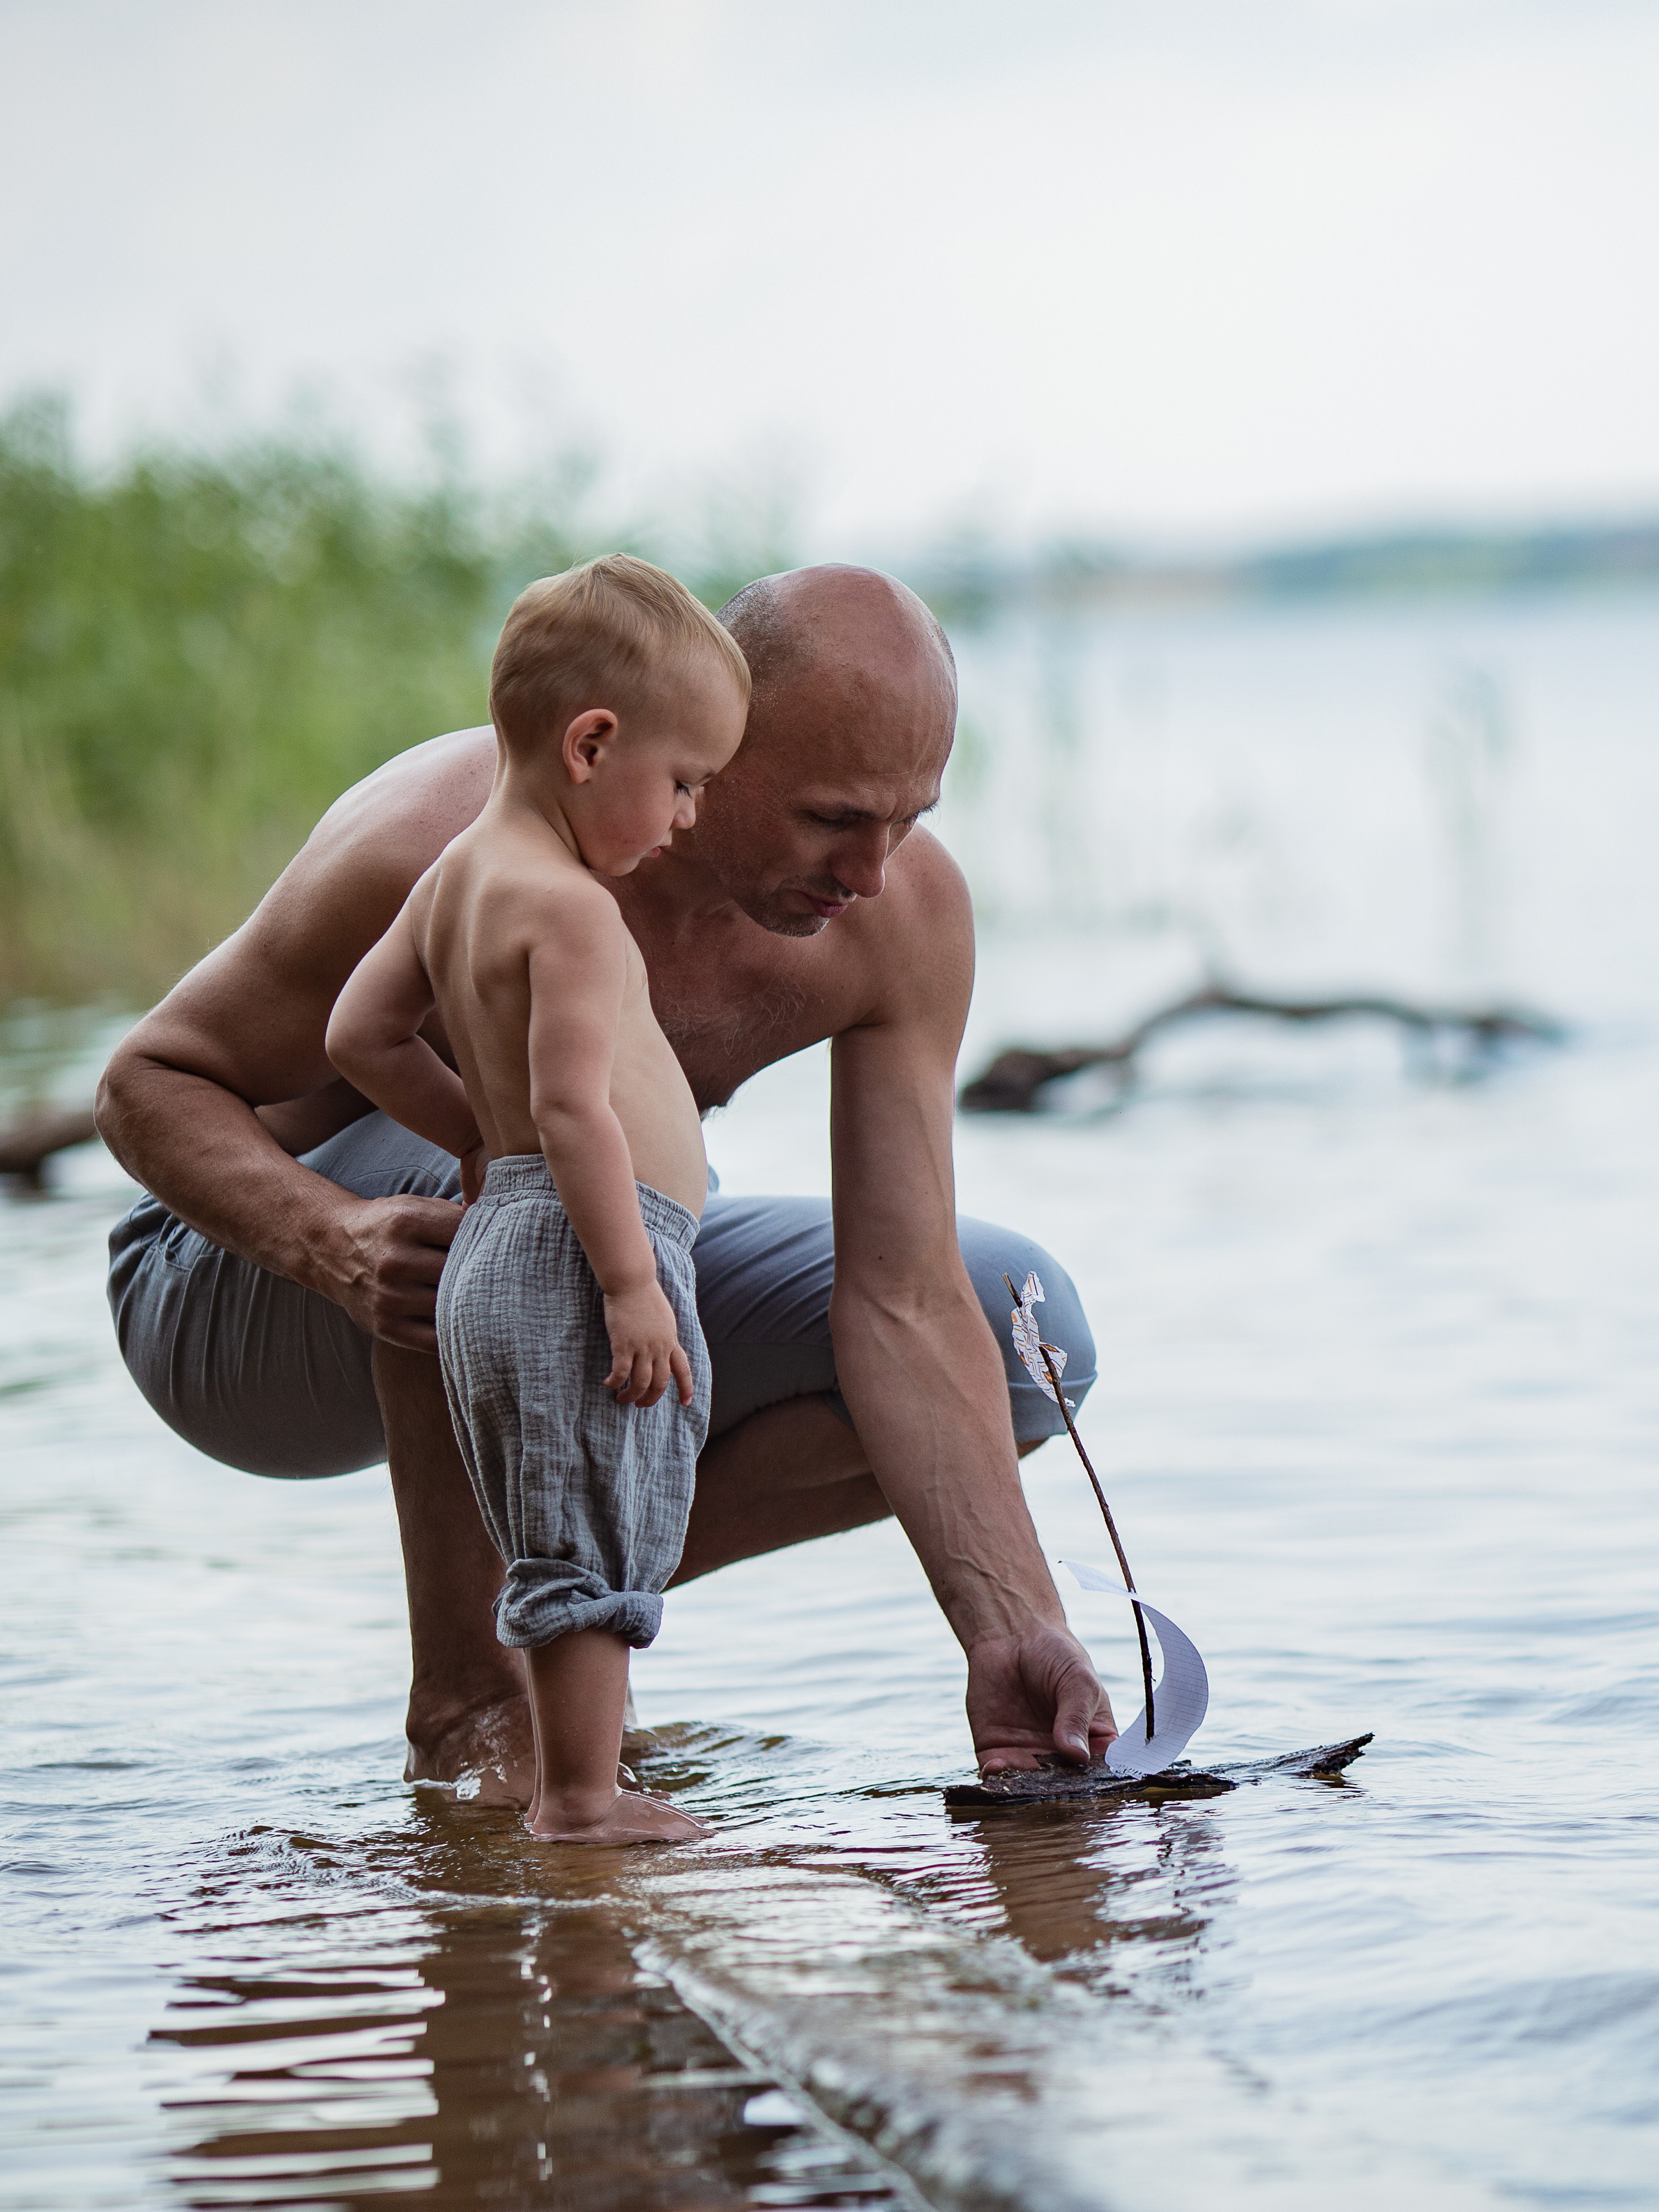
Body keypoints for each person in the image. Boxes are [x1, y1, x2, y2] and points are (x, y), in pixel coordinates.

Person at [99, 564, 1119, 1801]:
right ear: (700, 750)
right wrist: (333, 1237)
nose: (874, 873)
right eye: (834, 818)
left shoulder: (901, 918)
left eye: (909, 818)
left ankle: (562, 1604)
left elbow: (903, 1296)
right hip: (237, 1286)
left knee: (1027, 1331)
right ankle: (473, 1705)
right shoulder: (452, 839)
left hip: (541, 1255)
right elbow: (147, 1083)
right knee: (510, 1149)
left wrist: (1011, 1627)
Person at [327, 556, 747, 1843]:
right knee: (592, 1511)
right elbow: (575, 1112)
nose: (682, 819)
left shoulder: (458, 872)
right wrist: (628, 1282)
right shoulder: (569, 909)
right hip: (576, 1250)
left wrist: (479, 1144)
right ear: (591, 743)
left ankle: (579, 1781)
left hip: (514, 1235)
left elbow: (360, 1033)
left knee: (560, 1503)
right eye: (679, 784)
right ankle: (579, 1800)